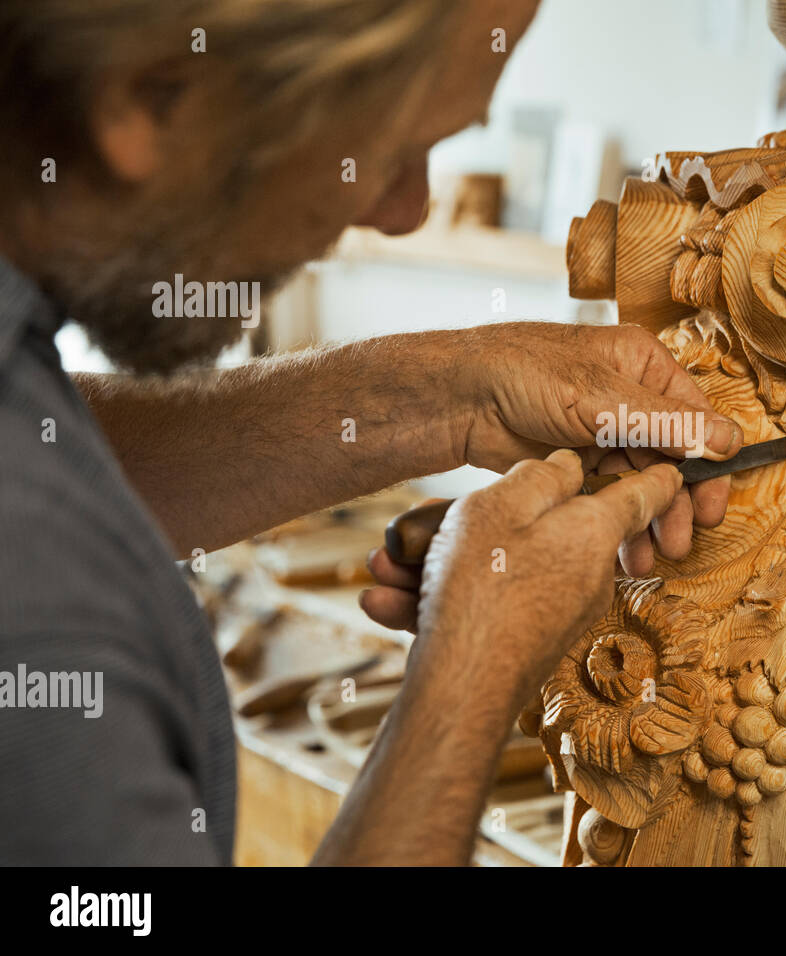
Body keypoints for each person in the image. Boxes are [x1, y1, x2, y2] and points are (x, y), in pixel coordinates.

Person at [0, 0, 740, 865]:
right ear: (150, 97)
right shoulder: (40, 612)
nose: (405, 211)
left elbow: (61, 448)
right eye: (387, 149)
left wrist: (451, 396)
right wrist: (475, 662)